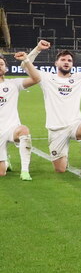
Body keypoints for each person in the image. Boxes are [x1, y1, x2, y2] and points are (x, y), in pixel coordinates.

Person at [27, 40, 81, 177]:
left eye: (69, 60)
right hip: (55, 129)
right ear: (56, 63)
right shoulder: (46, 78)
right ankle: (63, 158)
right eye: (63, 59)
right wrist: (38, 49)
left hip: (74, 124)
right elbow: (25, 66)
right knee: (60, 169)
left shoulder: (79, 78)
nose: (66, 62)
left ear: (72, 64)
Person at [0, 51, 41, 180]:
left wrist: (26, 60)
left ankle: (24, 171)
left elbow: (36, 79)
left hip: (11, 129)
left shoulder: (13, 84)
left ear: (5, 68)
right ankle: (6, 162)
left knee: (24, 130)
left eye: (1, 64)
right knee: (1, 173)